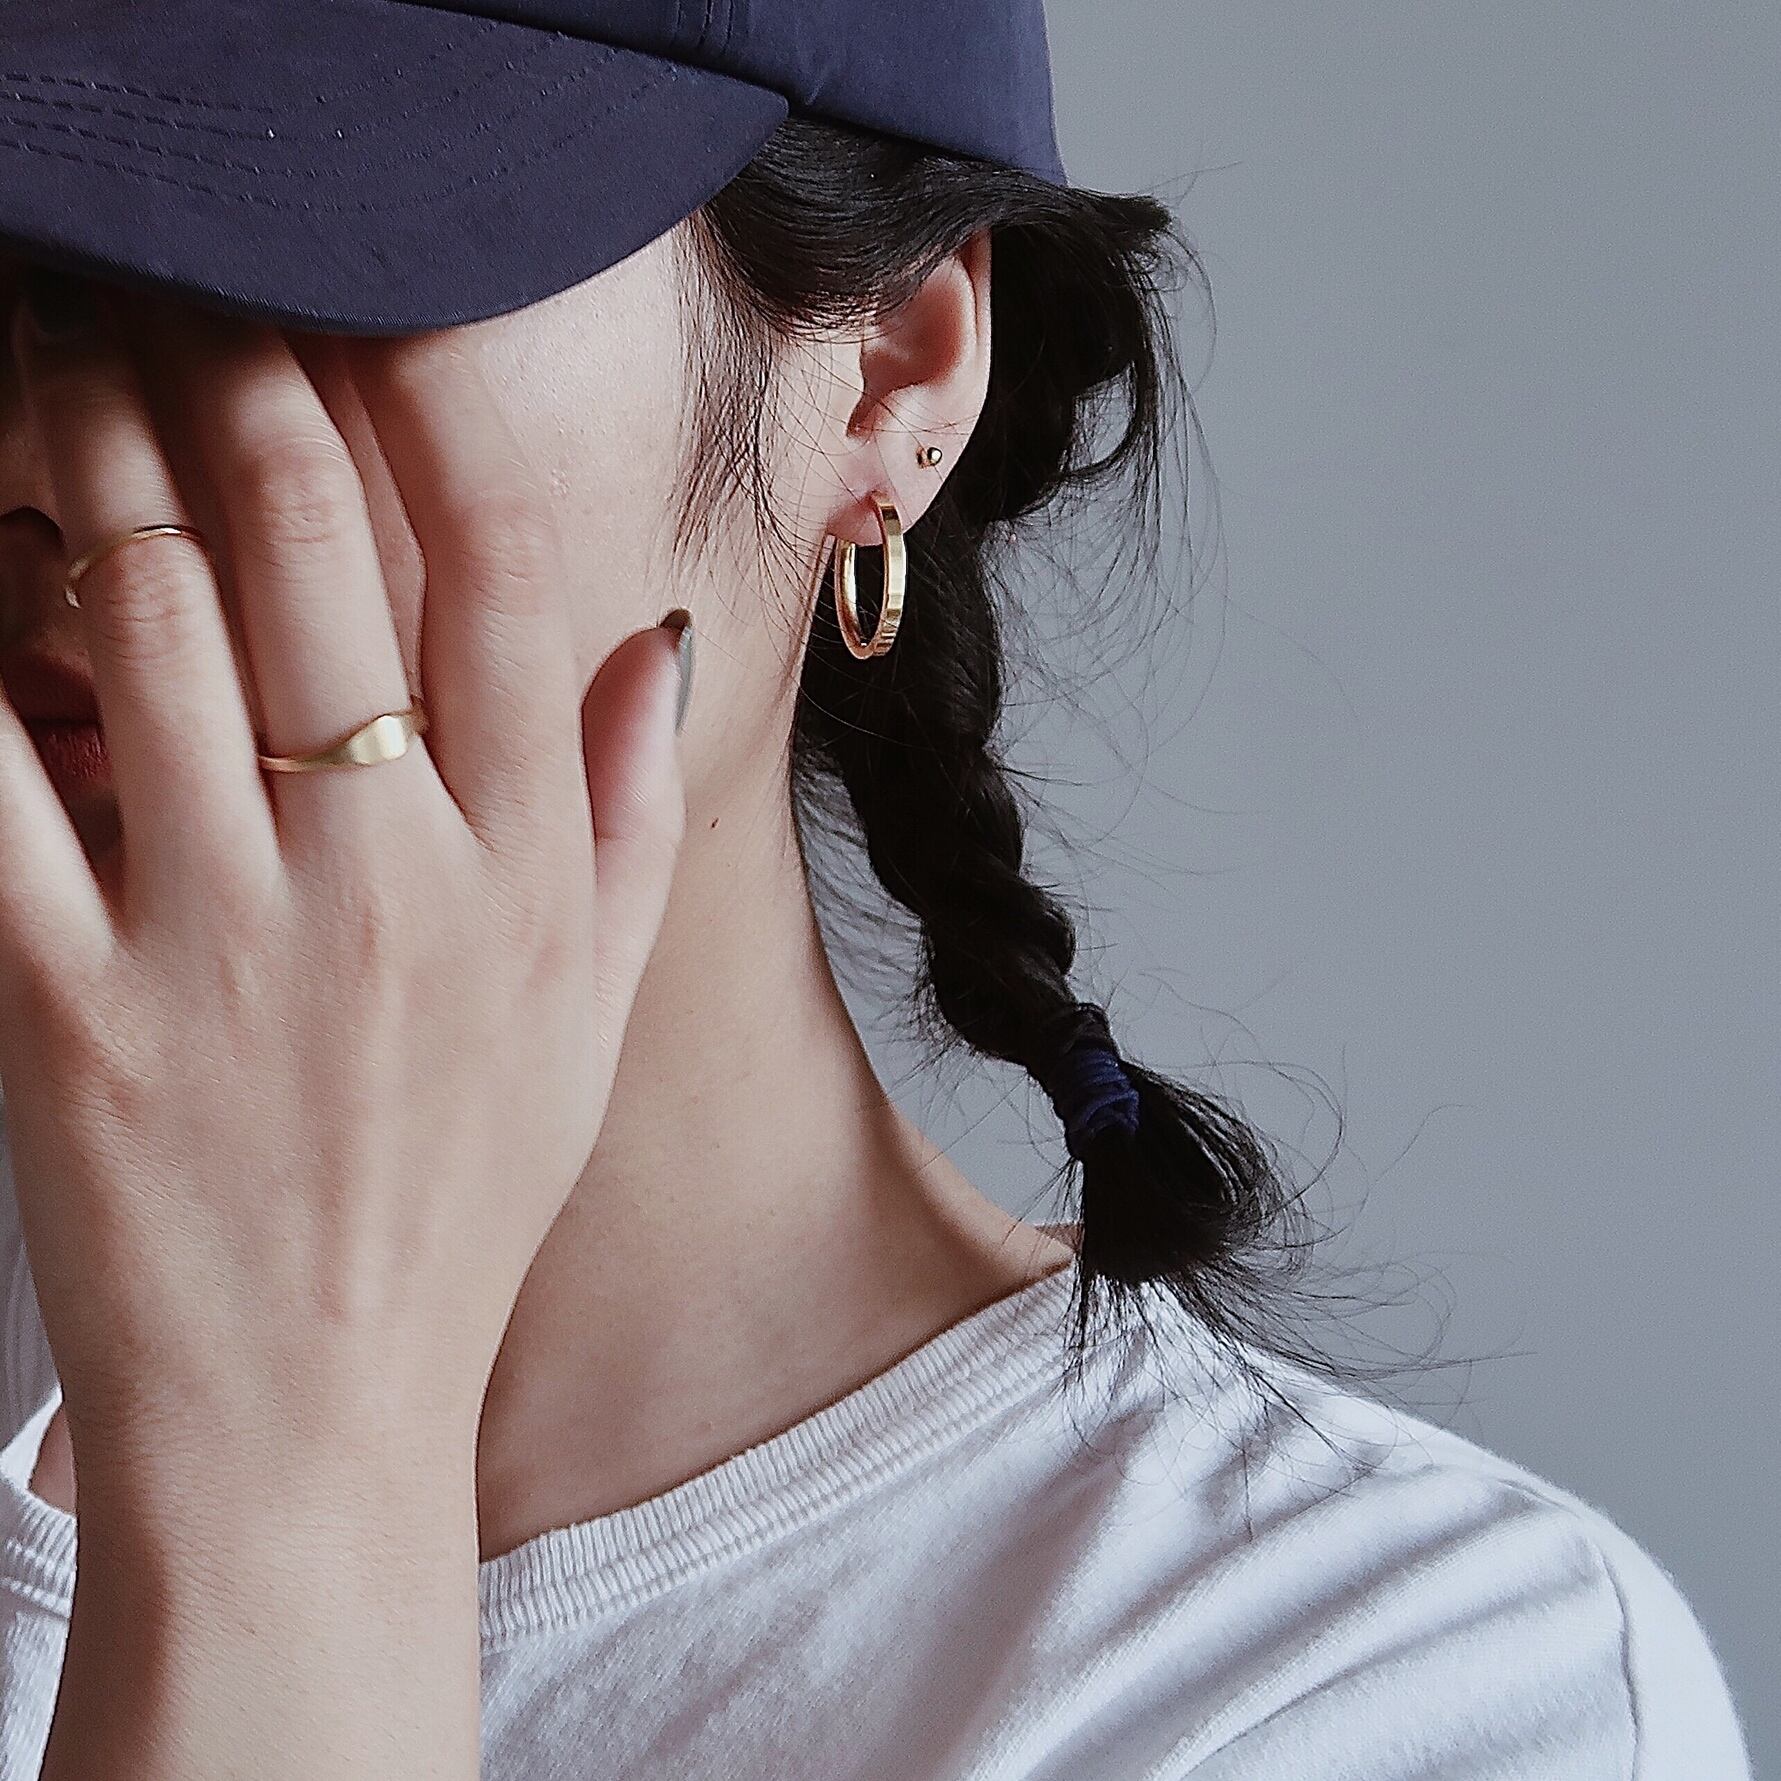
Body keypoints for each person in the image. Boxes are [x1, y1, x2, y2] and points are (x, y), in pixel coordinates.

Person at [0, 3, 1752, 1777]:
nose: (44, 471)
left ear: (887, 371)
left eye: (281, 286)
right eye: (21, 286)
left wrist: (279, 1484)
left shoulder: (1375, 1681)